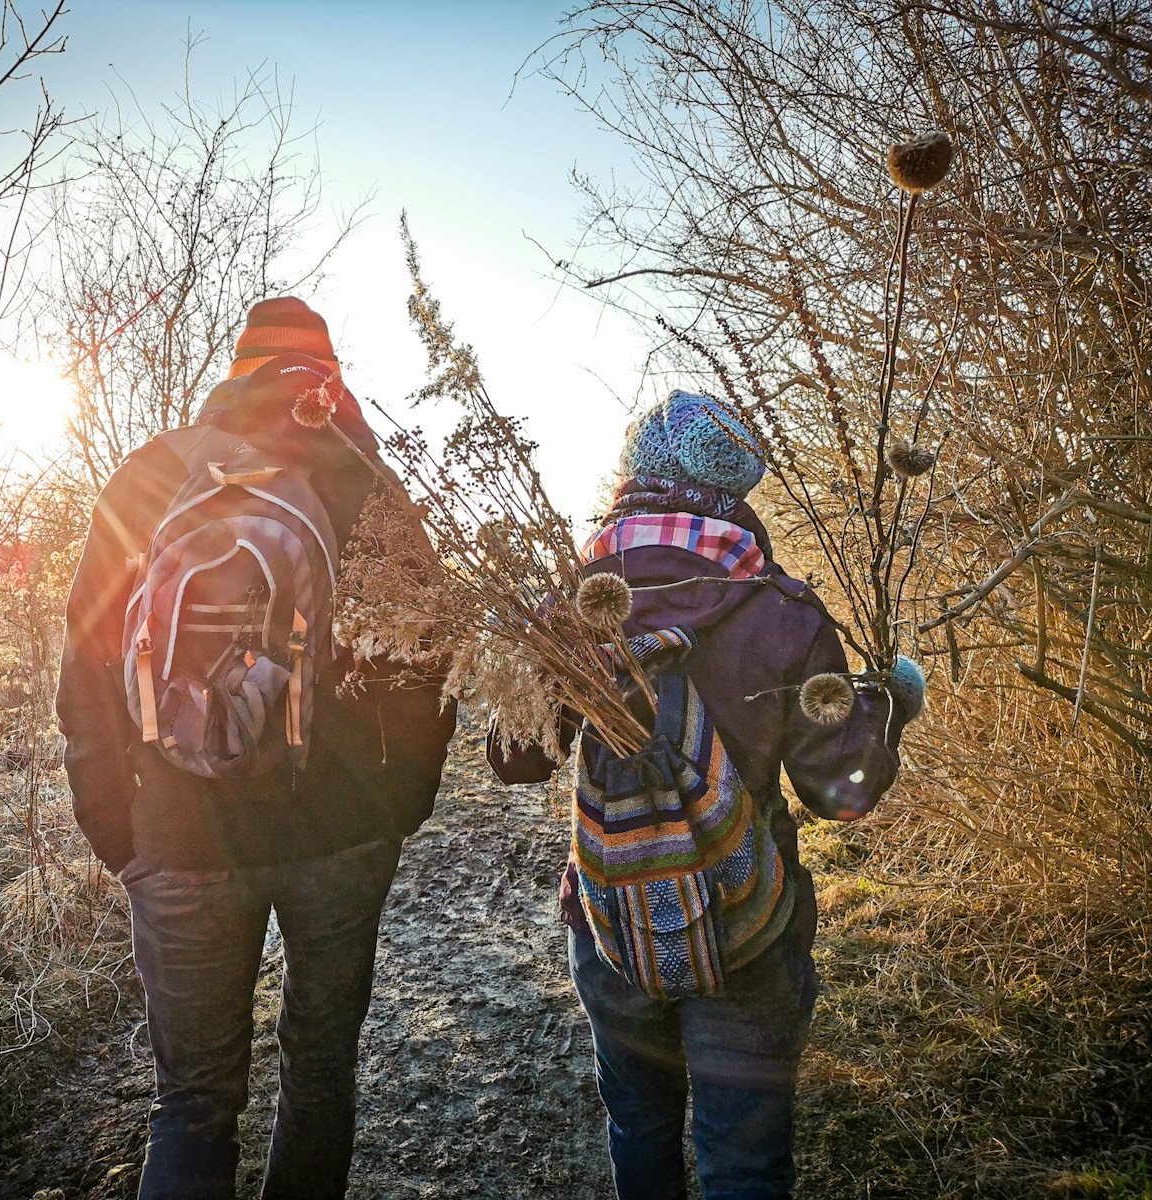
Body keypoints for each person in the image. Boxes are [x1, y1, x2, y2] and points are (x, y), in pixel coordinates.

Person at [57, 297, 456, 1200]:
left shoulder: (151, 475)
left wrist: (117, 826)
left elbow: (84, 661)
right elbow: (434, 660)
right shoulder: (368, 484)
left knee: (192, 1100)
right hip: (343, 833)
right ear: (330, 377)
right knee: (320, 1073)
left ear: (233, 370)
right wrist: (402, 802)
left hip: (180, 833)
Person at [489, 390, 926, 1200]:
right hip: (747, 930)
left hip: (613, 914)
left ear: (633, 480)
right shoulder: (783, 614)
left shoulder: (569, 608)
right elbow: (839, 795)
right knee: (744, 1164)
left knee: (639, 1126)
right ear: (736, 491)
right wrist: (889, 709)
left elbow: (515, 760)